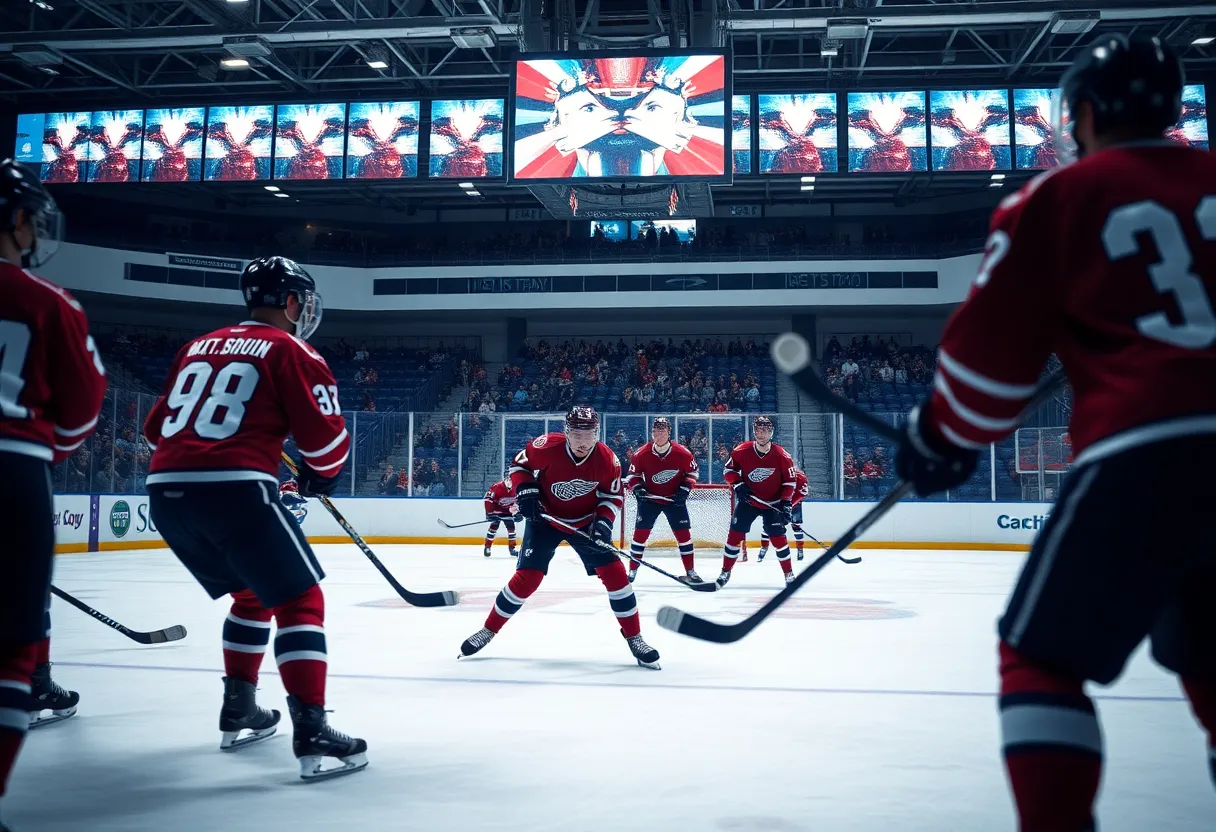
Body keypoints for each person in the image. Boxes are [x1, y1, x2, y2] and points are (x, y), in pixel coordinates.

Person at [893, 35, 1216, 830]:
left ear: (1085, 115)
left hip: (1145, 456)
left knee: (1041, 658)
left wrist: (937, 440)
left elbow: (984, 386)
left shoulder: (1059, 198)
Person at [143, 255, 367, 781]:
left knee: (250, 595)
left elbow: (156, 431)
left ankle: (239, 707)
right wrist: (319, 476)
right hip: (235, 491)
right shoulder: (292, 349)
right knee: (300, 600)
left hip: (166, 492)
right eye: (301, 301)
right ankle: (311, 727)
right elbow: (326, 446)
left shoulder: (198, 346)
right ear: (290, 302)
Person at [0, 159, 106, 821]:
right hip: (11, 468)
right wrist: (41, 453)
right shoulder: (47, 301)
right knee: (11, 645)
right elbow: (83, 405)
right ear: (16, 221)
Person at [458, 406, 660, 669]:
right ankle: (488, 630)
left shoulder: (608, 460)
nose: (583, 442)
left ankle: (635, 638)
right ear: (566, 432)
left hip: (585, 523)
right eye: (577, 434)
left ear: (597, 433)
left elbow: (612, 497)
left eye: (589, 435)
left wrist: (603, 523)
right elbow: (519, 466)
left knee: (617, 576)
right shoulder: (546, 447)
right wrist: (526, 490)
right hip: (545, 519)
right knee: (527, 579)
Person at [718, 416, 797, 587]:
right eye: (758, 430)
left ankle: (788, 573)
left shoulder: (782, 455)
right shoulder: (742, 450)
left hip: (773, 504)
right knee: (734, 536)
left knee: (779, 539)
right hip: (749, 502)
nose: (761, 433)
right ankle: (725, 572)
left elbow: (790, 482)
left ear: (771, 432)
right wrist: (738, 484)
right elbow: (728, 470)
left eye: (765, 430)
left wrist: (785, 504)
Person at [622, 417, 702, 584]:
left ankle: (691, 571)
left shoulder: (682, 453)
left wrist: (684, 489)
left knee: (684, 536)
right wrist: (638, 488)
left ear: (669, 432)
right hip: (650, 500)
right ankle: (632, 571)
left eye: (662, 430)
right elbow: (632, 475)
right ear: (652, 432)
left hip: (675, 501)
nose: (658, 434)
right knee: (639, 536)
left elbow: (693, 473)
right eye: (656, 430)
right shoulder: (641, 454)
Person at [758, 465, 809, 562]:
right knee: (769, 526)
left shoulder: (801, 478)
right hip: (779, 505)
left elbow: (802, 493)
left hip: (793, 505)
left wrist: (789, 506)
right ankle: (763, 548)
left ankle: (800, 550)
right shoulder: (776, 475)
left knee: (796, 526)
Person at [482, 476, 519, 558]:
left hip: (508, 511)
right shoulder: (497, 487)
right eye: (510, 480)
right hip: (496, 511)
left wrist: (518, 513)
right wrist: (489, 513)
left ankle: (512, 548)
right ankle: (487, 547)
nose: (512, 482)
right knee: (493, 528)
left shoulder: (516, 488)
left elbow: (520, 501)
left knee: (511, 529)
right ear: (506, 479)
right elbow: (488, 499)